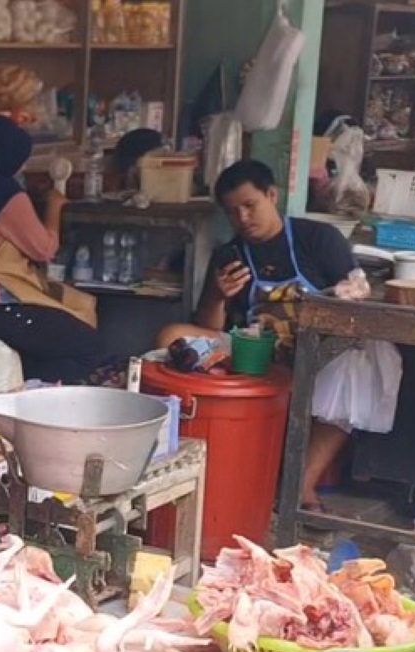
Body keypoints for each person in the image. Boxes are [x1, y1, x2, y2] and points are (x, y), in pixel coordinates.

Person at [155, 160, 384, 511]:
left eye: (250, 205)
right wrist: (218, 294)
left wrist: (344, 295)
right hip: (253, 350)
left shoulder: (318, 240)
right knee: (171, 334)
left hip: (316, 350)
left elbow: (357, 295)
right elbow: (209, 326)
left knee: (358, 364)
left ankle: (300, 487)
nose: (243, 218)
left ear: (272, 195)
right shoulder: (229, 254)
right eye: (233, 212)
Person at [0, 115, 101, 384]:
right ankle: (27, 397)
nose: (23, 167)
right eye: (21, 159)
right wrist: (55, 205)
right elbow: (44, 249)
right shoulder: (2, 193)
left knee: (46, 347)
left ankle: (22, 385)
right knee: (87, 348)